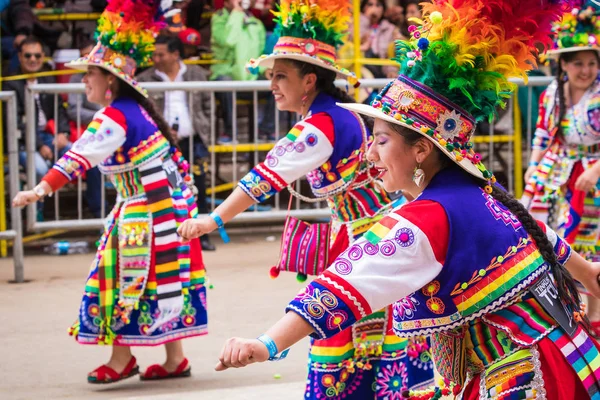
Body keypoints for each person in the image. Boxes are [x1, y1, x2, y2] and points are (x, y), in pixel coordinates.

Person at [201, 1, 600, 398]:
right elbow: (541, 233)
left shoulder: (426, 218)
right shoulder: (480, 193)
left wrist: (266, 344)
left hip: (522, 376)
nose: (370, 154)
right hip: (564, 355)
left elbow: (341, 286)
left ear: (422, 150)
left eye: (381, 140)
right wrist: (588, 275)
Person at [178, 0, 435, 398]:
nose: (273, 84)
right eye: (271, 76)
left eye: (281, 75)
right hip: (366, 228)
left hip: (367, 235)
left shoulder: (321, 124)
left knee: (342, 328)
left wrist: (214, 219)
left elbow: (266, 177)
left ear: (310, 80)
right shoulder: (336, 115)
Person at [12, 0, 208, 383]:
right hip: (167, 208)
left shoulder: (117, 115)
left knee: (121, 279)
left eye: (90, 74)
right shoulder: (136, 111)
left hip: (145, 210)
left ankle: (122, 359)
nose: (84, 81)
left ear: (110, 81)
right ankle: (175, 359)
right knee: (162, 279)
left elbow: (80, 155)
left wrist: (40, 189)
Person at [522, 2, 600, 338]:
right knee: (545, 240)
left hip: (591, 179)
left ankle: (593, 320)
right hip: (554, 175)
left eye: (592, 63)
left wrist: (596, 170)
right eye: (578, 63)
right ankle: (562, 313)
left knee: (590, 246)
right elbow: (542, 132)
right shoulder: (553, 94)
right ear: (564, 65)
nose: (586, 70)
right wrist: (533, 164)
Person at [137, 34, 215, 251]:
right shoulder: (146, 78)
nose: (156, 58)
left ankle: (202, 236)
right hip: (162, 146)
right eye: (154, 54)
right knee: (168, 188)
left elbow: (209, 106)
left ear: (175, 54)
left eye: (160, 54)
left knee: (198, 187)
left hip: (193, 140)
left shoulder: (196, 73)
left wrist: (206, 130)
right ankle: (170, 236)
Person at [210, 0, 266, 143]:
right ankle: (230, 133)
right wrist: (236, 14)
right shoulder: (218, 20)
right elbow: (228, 40)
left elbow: (260, 52)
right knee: (226, 83)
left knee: (277, 82)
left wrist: (265, 69)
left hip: (249, 77)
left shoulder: (256, 23)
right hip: (225, 75)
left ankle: (268, 130)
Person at [66, 38, 104, 219]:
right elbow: (78, 155)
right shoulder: (103, 119)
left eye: (90, 72)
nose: (83, 79)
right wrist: (40, 190)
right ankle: (99, 211)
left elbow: (163, 160)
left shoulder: (128, 115)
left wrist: (182, 192)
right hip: (127, 216)